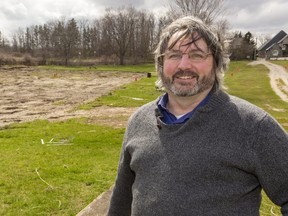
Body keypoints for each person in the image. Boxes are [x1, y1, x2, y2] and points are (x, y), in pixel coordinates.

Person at [107, 16, 288, 215]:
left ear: (216, 63)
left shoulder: (254, 127)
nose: (184, 65)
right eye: (174, 55)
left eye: (196, 55)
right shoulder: (139, 121)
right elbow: (122, 200)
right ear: (161, 64)